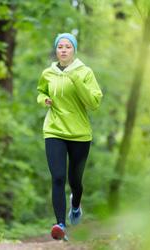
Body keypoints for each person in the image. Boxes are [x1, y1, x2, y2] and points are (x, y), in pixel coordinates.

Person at [37, 33, 103, 240]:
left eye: (68, 47)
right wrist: (44, 99)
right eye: (60, 47)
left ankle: (75, 205)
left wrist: (76, 80)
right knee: (57, 177)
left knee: (75, 180)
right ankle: (60, 225)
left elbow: (93, 103)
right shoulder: (48, 72)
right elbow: (40, 91)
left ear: (74, 50)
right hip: (54, 130)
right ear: (56, 50)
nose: (63, 50)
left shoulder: (85, 72)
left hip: (79, 134)